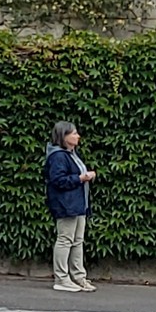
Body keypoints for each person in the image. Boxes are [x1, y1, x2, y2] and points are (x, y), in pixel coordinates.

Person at [43, 119, 97, 292]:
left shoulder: (71, 154)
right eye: (73, 133)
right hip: (66, 204)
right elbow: (57, 180)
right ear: (63, 136)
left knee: (77, 241)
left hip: (78, 204)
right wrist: (81, 178)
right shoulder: (58, 156)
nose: (77, 136)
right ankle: (61, 278)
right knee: (65, 240)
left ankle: (79, 276)